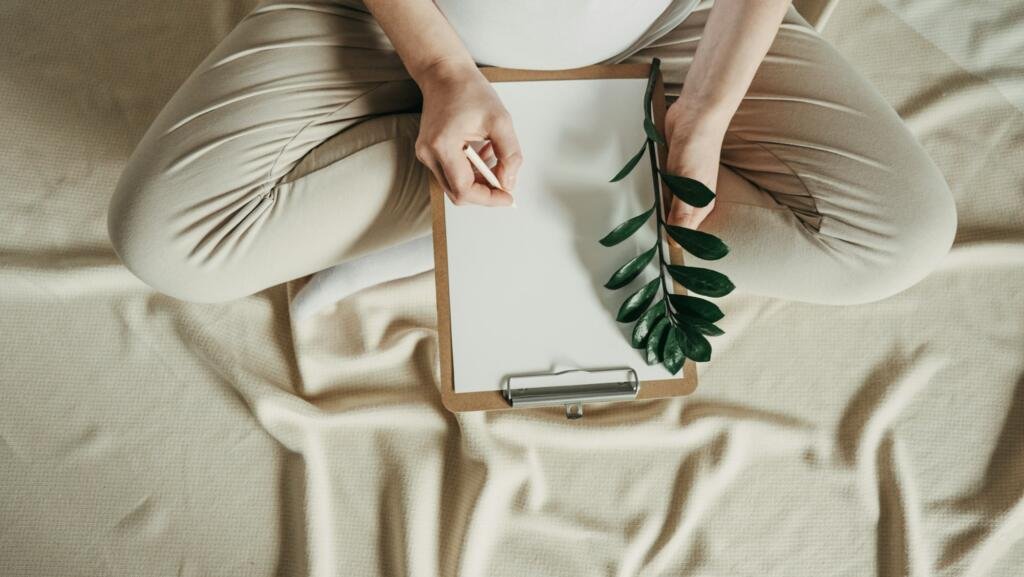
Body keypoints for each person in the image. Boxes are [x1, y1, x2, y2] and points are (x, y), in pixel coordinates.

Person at [107, 0, 957, 308]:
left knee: (901, 233)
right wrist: (439, 65)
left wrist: (705, 112)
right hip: (390, 24)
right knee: (166, 238)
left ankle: (477, 203)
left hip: (666, 24)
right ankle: (470, 186)